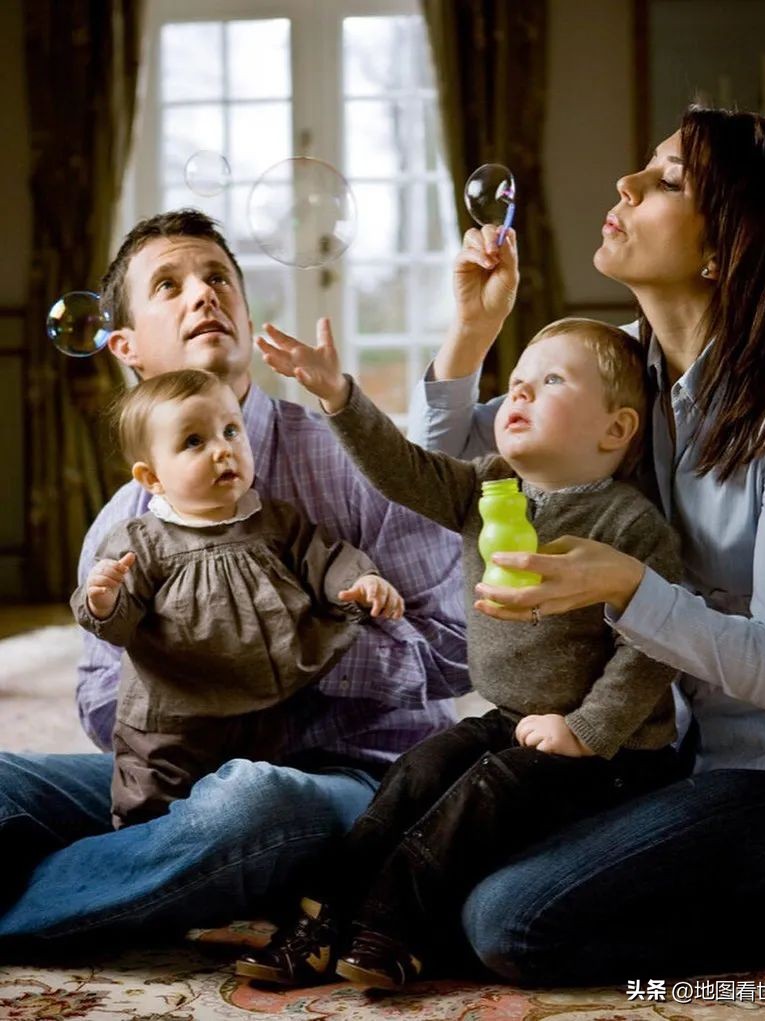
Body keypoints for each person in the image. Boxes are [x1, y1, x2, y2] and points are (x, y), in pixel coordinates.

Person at [405, 105, 765, 983]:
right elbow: (450, 472)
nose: (625, 184)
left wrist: (630, 586)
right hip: (670, 752)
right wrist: (472, 332)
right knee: (431, 869)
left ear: (722, 251)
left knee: (509, 923)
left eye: (666, 180)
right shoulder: (625, 367)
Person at [0, 210, 467, 947]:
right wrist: (191, 676)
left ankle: (54, 893)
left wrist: (289, 652)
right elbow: (97, 702)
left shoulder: (359, 461)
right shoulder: (123, 523)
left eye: (219, 277)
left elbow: (455, 650)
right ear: (125, 346)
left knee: (247, 804)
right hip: (178, 778)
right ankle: (142, 873)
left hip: (351, 778)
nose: (203, 294)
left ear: (246, 316)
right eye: (169, 285)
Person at [234, 314, 682, 989]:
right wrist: (339, 397)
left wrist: (586, 730)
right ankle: (319, 919)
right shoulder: (485, 487)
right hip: (513, 718)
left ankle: (396, 929)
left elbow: (652, 649)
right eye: (518, 380)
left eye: (551, 381)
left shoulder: (629, 523)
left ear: (615, 429)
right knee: (421, 768)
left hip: (612, 753)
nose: (519, 392)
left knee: (484, 790)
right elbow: (400, 471)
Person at [73, 368, 404, 829]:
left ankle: (238, 854)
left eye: (231, 431)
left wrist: (362, 580)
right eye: (194, 441)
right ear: (152, 477)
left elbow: (325, 558)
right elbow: (119, 625)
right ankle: (139, 851)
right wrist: (104, 600)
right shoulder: (141, 541)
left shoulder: (274, 521)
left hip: (265, 710)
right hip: (173, 722)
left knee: (254, 801)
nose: (223, 449)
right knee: (151, 806)